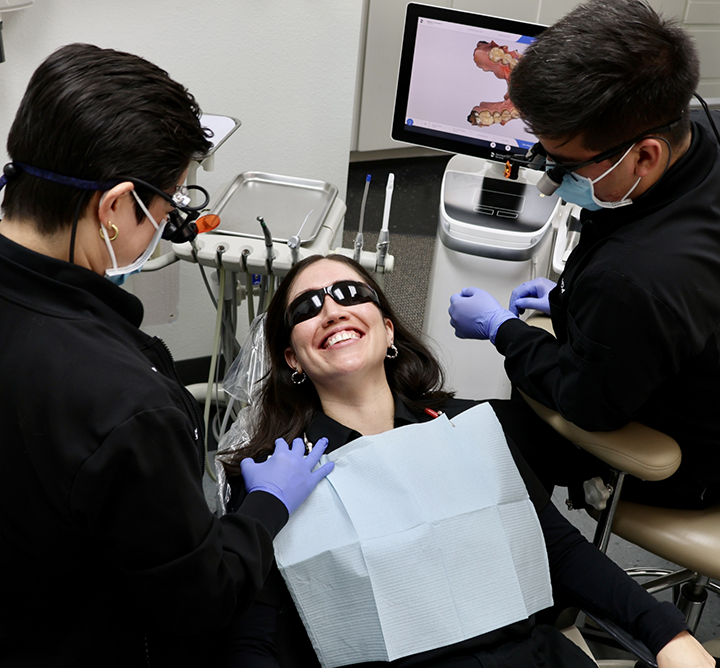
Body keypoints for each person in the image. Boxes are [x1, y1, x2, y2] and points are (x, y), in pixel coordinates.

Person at [0, 44, 333, 667]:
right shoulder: (126, 403)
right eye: (169, 203)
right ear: (115, 207)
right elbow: (201, 599)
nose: (168, 223)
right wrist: (266, 509)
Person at [219, 253, 714, 668]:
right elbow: (253, 636)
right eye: (307, 307)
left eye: (351, 295)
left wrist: (669, 637)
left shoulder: (472, 425)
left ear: (388, 330)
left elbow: (559, 550)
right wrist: (263, 507)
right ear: (292, 358)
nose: (331, 311)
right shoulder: (278, 477)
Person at [447, 0, 720, 510]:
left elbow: (585, 403)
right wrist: (572, 303)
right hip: (693, 364)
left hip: (691, 463)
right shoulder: (702, 133)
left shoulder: (631, 280)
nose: (548, 181)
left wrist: (502, 330)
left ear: (645, 154)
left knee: (505, 429)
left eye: (565, 164)